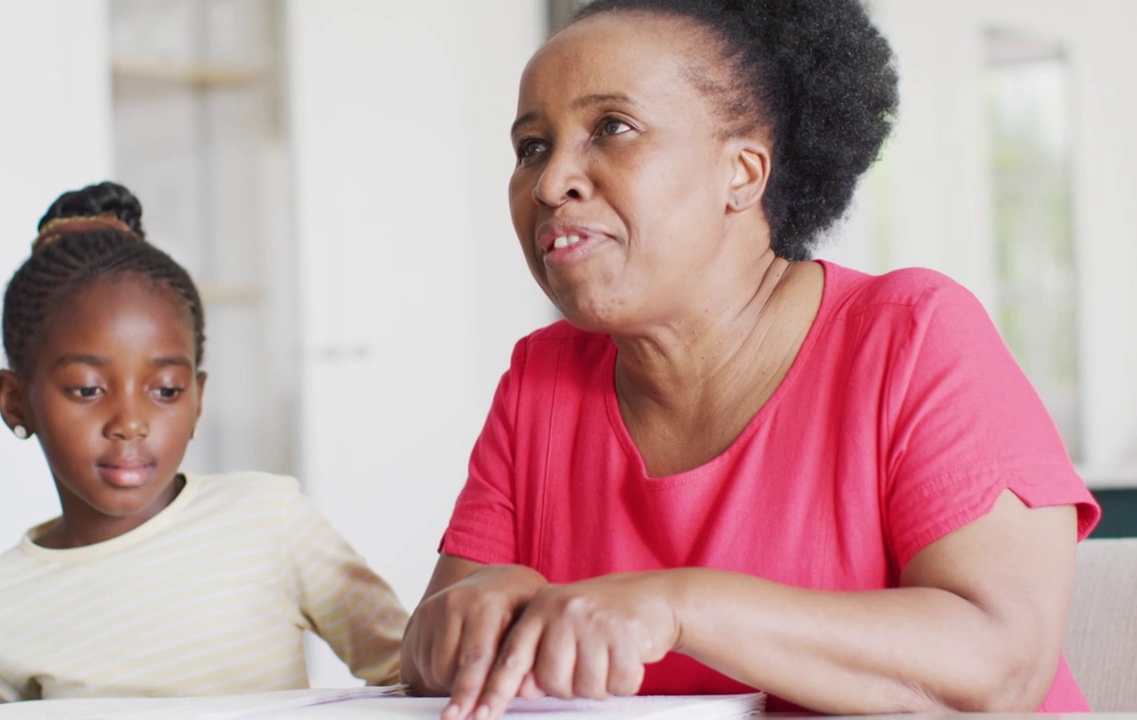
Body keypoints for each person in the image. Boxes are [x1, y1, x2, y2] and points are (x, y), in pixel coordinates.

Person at [400, 1, 1101, 718]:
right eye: (532, 147)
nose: (550, 185)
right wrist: (455, 626)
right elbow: (437, 670)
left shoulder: (911, 336)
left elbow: (999, 665)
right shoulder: (539, 382)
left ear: (744, 171)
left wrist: (678, 605)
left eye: (612, 128)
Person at [0, 181, 407, 702]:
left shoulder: (269, 521)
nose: (131, 422)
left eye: (166, 390)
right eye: (86, 389)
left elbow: (412, 677)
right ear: (16, 401)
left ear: (197, 399)